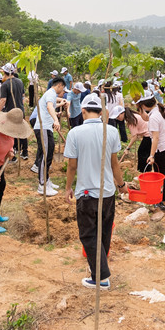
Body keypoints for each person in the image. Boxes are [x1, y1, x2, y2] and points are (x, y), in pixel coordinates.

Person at [63, 94, 124, 289]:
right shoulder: (112, 131)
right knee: (104, 232)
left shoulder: (75, 133)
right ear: (102, 112)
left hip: (87, 193)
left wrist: (67, 188)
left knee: (88, 234)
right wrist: (122, 185)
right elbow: (115, 164)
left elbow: (72, 166)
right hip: (107, 192)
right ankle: (98, 268)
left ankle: (101, 278)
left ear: (82, 111)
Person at [139, 90, 165, 210]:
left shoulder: (154, 116)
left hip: (162, 149)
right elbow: (145, 119)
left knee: (161, 175)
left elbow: (155, 138)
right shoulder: (157, 110)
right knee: (163, 174)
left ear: (145, 105)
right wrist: (140, 109)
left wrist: (151, 155)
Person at [31, 77, 66, 196]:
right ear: (60, 85)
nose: (62, 91)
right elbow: (49, 107)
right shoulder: (51, 93)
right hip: (43, 128)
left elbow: (49, 108)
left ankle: (46, 180)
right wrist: (56, 120)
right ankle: (42, 185)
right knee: (46, 155)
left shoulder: (49, 94)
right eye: (63, 88)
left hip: (45, 127)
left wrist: (56, 113)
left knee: (49, 153)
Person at [0, 63, 28, 160]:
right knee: (21, 130)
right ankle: (25, 152)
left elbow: (3, 100)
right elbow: (23, 95)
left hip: (11, 112)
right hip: (20, 110)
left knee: (10, 133)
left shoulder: (5, 84)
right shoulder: (20, 82)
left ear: (4, 72)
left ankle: (13, 155)